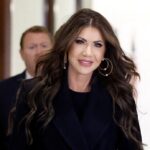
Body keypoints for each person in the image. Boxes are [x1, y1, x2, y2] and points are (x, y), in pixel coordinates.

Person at [8, 9, 143, 150]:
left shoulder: (120, 96)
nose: (88, 52)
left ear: (105, 52)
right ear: (67, 45)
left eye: (97, 44)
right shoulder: (33, 92)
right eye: (80, 41)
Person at [0, 25, 53, 150]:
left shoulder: (66, 86)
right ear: (22, 54)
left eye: (44, 46)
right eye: (32, 47)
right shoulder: (3, 90)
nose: (39, 52)